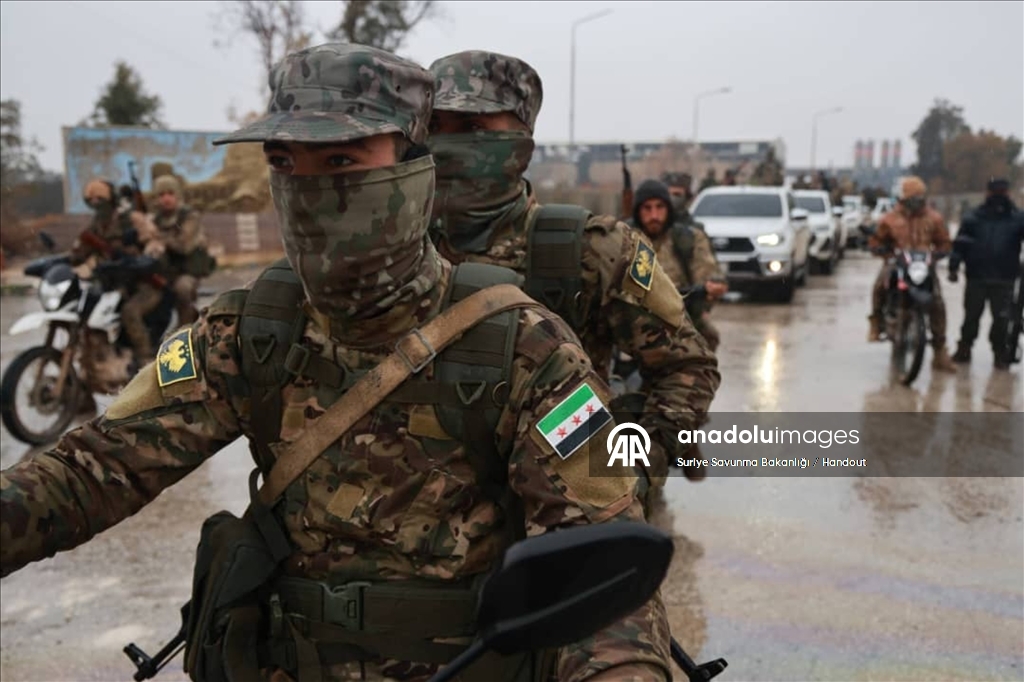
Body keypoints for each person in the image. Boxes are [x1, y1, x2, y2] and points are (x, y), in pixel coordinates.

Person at [0, 43, 672, 682]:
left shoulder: (528, 348)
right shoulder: (248, 331)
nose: (309, 191)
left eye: (343, 163)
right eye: (287, 164)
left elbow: (602, 579)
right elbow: (93, 469)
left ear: (415, 171)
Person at [425, 50, 721, 492]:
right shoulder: (396, 252)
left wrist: (635, 467)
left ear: (522, 141)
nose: (446, 146)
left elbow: (688, 367)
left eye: (472, 129)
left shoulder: (592, 250)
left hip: (558, 517)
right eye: (434, 128)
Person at [867, 175, 957, 372]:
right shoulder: (890, 218)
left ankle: (940, 351)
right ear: (903, 198)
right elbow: (876, 241)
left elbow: (944, 242)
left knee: (937, 302)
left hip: (923, 266)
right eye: (911, 197)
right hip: (897, 264)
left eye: (919, 197)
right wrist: (884, 252)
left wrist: (938, 254)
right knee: (879, 286)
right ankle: (875, 322)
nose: (915, 201)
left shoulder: (934, 218)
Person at [73, 178, 163, 366]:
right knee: (87, 314)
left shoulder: (130, 220)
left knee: (130, 312)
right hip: (113, 284)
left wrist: (144, 258)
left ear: (111, 199)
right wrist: (65, 260)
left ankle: (146, 361)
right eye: (92, 200)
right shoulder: (95, 226)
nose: (97, 204)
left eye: (101, 199)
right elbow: (80, 251)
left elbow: (154, 242)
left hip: (142, 282)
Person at [630, 178, 727, 351]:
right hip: (632, 325)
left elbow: (708, 274)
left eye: (660, 207)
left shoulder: (688, 238)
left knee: (707, 341)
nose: (654, 215)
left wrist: (711, 288)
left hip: (680, 322)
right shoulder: (625, 240)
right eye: (647, 208)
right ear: (638, 210)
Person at [949, 177, 1024, 369]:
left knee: (1002, 319)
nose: (999, 196)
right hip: (977, 276)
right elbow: (960, 245)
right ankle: (965, 348)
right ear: (988, 193)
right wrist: (953, 266)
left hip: (1005, 277)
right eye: (996, 192)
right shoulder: (973, 217)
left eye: (1002, 192)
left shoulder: (1017, 218)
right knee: (971, 316)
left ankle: (1000, 352)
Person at [148, 174, 214, 325]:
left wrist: (159, 237)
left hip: (188, 271)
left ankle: (186, 329)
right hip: (165, 270)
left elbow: (184, 247)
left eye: (170, 194)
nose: (166, 199)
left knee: (182, 289)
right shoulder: (156, 219)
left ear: (177, 195)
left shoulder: (189, 216)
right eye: (161, 195)